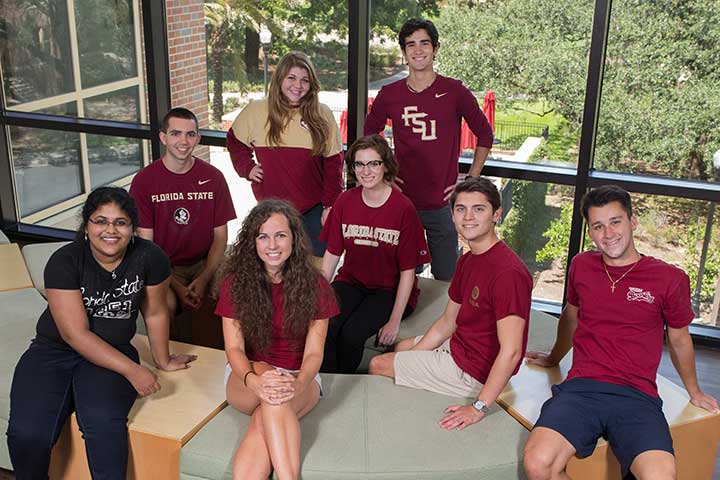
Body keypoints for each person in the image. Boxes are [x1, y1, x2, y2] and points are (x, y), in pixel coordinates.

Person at [523, 185, 719, 480]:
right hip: (582, 389)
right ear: (590, 231)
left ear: (633, 221)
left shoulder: (669, 278)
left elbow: (679, 340)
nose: (608, 233)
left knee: (661, 477)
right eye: (598, 226)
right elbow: (571, 317)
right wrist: (553, 357)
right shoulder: (581, 265)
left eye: (616, 222)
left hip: (636, 395)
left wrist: (694, 390)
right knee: (538, 464)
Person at [6, 187, 196, 480]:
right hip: (53, 351)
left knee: (103, 425)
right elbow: (75, 335)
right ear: (87, 225)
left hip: (113, 349)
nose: (111, 230)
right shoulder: (65, 261)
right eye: (100, 221)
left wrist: (163, 360)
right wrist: (134, 371)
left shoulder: (150, 257)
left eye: (120, 222)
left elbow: (155, 311)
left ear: (132, 227)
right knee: (28, 433)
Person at [369, 176, 532, 430]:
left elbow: (511, 352)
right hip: (458, 346)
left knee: (378, 365)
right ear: (453, 215)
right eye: (461, 209)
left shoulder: (508, 273)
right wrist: (412, 358)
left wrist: (479, 407)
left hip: (474, 372)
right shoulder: (469, 259)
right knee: (401, 347)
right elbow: (447, 322)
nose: (468, 217)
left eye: (479, 209)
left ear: (496, 214)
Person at [214, 199, 338, 479]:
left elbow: (314, 354)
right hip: (246, 376)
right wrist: (255, 380)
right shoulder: (235, 283)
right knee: (271, 387)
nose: (272, 245)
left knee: (269, 409)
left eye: (280, 235)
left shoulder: (316, 285)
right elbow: (234, 349)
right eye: (263, 236)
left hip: (301, 378)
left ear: (294, 239)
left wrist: (299, 383)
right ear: (252, 242)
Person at [363, 18, 494, 281]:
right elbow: (368, 138)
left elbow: (485, 134)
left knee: (446, 278)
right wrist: (385, 174)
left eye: (424, 43)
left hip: (441, 204)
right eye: (411, 44)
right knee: (400, 275)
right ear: (404, 51)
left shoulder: (454, 91)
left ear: (435, 48)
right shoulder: (390, 94)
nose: (418, 50)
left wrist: (470, 181)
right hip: (400, 202)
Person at [319, 135, 430, 374]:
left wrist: (394, 321)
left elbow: (407, 272)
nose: (366, 171)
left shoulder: (403, 208)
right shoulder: (344, 202)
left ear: (386, 165)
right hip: (351, 282)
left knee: (352, 332)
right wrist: (314, 296)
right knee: (326, 323)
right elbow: (332, 255)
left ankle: (341, 381)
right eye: (359, 164)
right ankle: (322, 383)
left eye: (373, 163)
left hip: (388, 290)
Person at [130, 107, 236, 342]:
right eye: (176, 133)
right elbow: (146, 247)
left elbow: (220, 238)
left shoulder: (214, 177)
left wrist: (205, 276)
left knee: (233, 292)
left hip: (204, 262)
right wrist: (177, 286)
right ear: (163, 137)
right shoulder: (144, 181)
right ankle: (170, 356)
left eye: (190, 134)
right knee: (162, 303)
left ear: (197, 138)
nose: (183, 141)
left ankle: (224, 354)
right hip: (162, 265)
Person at [227, 51, 344, 259]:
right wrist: (247, 168)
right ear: (280, 78)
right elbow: (235, 142)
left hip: (313, 209)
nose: (297, 85)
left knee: (316, 266)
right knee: (275, 264)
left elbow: (334, 163)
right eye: (291, 78)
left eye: (304, 80)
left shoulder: (322, 113)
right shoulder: (257, 110)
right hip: (271, 208)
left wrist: (330, 205)